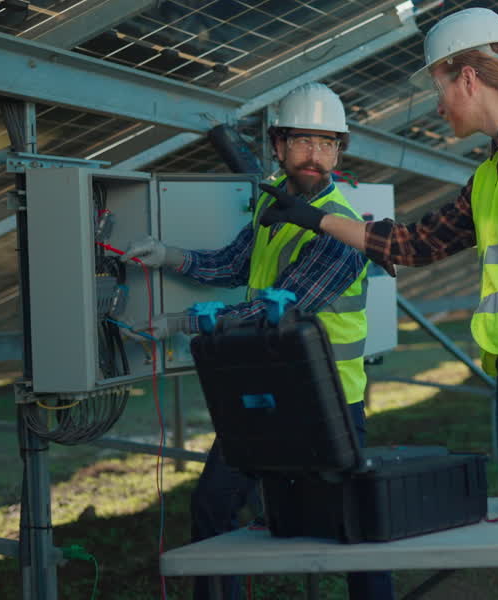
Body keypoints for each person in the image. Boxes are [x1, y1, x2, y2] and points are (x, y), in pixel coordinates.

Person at [259, 8, 498, 600]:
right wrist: (317, 218)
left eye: (437, 88)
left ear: (467, 77)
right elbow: (418, 242)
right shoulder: (495, 168)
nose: (437, 105)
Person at [121, 82, 393, 600]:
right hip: (267, 399)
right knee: (213, 506)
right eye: (302, 142)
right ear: (277, 146)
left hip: (328, 404)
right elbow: (229, 263)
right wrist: (169, 254)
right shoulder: (274, 210)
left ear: (339, 151)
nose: (315, 155)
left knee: (353, 531)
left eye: (327, 143)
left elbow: (282, 306)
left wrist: (186, 323)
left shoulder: (345, 231)